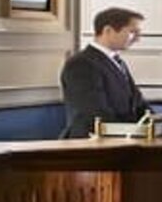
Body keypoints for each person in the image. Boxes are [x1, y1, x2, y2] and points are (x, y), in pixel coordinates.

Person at [60, 7, 150, 138]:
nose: (137, 39)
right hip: (92, 147)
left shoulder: (118, 62)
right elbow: (95, 114)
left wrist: (158, 123)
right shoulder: (81, 64)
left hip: (121, 141)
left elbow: (138, 104)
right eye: (132, 32)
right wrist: (134, 134)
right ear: (108, 30)